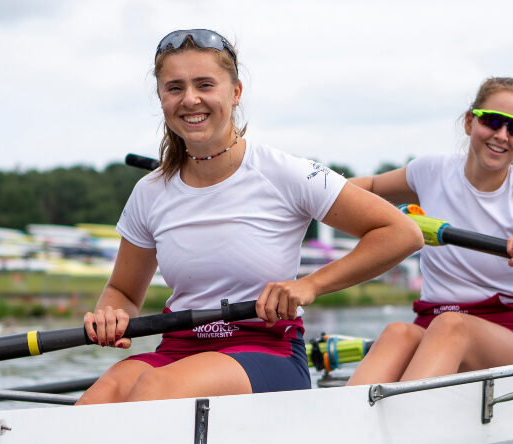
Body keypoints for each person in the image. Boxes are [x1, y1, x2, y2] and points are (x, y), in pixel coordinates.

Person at [75, 29, 422, 405]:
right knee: (100, 398)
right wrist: (110, 315)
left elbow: (401, 232)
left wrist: (310, 286)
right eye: (175, 88)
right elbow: (124, 292)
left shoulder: (286, 172)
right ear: (161, 98)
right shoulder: (150, 191)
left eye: (205, 84)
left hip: (266, 349)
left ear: (235, 92)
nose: (190, 99)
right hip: (179, 348)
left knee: (155, 390)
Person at [343, 77, 513, 385]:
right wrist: (306, 194)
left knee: (451, 325)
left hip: (508, 338)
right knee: (397, 331)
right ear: (469, 122)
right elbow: (367, 188)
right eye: (492, 121)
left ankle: (404, 416)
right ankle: (349, 422)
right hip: (430, 326)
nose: (502, 136)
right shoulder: (430, 172)